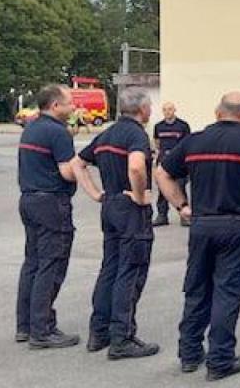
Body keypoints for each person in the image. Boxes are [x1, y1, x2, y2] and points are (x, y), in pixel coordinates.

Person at [154, 92, 240, 381]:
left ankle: (189, 355)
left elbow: (162, 173)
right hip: (238, 226)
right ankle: (220, 360)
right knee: (228, 292)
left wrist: (182, 206)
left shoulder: (194, 141)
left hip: (201, 225)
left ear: (218, 113)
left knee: (197, 289)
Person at [72, 87, 158, 359]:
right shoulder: (136, 134)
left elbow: (77, 163)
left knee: (110, 267)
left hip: (109, 205)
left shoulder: (107, 134)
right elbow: (135, 166)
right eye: (150, 107)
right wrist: (140, 194)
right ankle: (122, 337)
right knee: (130, 271)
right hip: (129, 207)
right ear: (142, 109)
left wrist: (96, 193)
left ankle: (99, 332)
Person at [15, 84, 80, 349]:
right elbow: (67, 172)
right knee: (50, 264)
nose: (73, 107)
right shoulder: (57, 132)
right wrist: (83, 168)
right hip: (52, 203)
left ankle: (25, 325)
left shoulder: (31, 127)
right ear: (55, 105)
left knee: (32, 262)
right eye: (69, 103)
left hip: (29, 200)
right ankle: (42, 330)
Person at [153, 102, 191, 227]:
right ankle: (162, 216)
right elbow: (157, 143)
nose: (167, 112)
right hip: (164, 162)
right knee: (163, 190)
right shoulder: (158, 126)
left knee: (180, 188)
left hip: (179, 163)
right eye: (164, 110)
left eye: (169, 109)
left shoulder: (183, 126)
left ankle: (184, 216)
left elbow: (187, 145)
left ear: (174, 110)